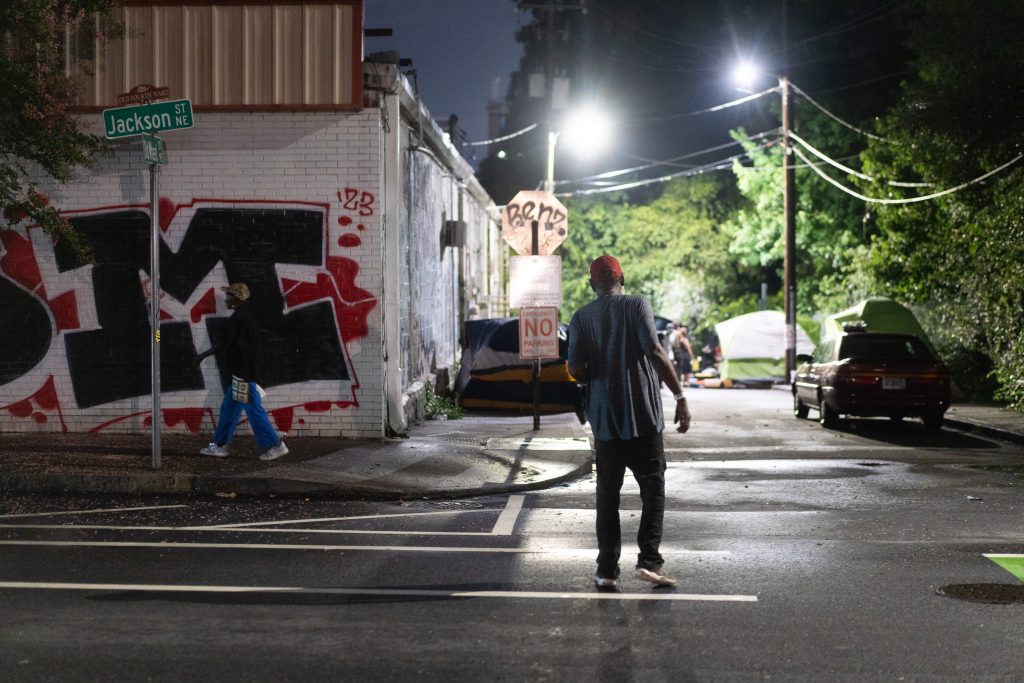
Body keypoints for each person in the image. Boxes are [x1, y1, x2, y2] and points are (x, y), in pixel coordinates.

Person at [567, 255, 691, 589]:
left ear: (592, 284)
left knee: (607, 496)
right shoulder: (638, 305)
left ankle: (606, 570)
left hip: (605, 421)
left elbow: (575, 369)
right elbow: (654, 350)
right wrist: (680, 396)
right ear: (622, 278)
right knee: (653, 488)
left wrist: (595, 366)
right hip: (644, 419)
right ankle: (649, 561)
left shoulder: (580, 318)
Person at [195, 283, 289, 461]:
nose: (226, 298)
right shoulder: (245, 316)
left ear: (236, 297)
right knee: (229, 410)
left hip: (242, 376)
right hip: (241, 375)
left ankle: (275, 445)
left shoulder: (239, 317)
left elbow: (225, 343)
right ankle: (220, 446)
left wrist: (202, 356)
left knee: (254, 411)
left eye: (229, 295)